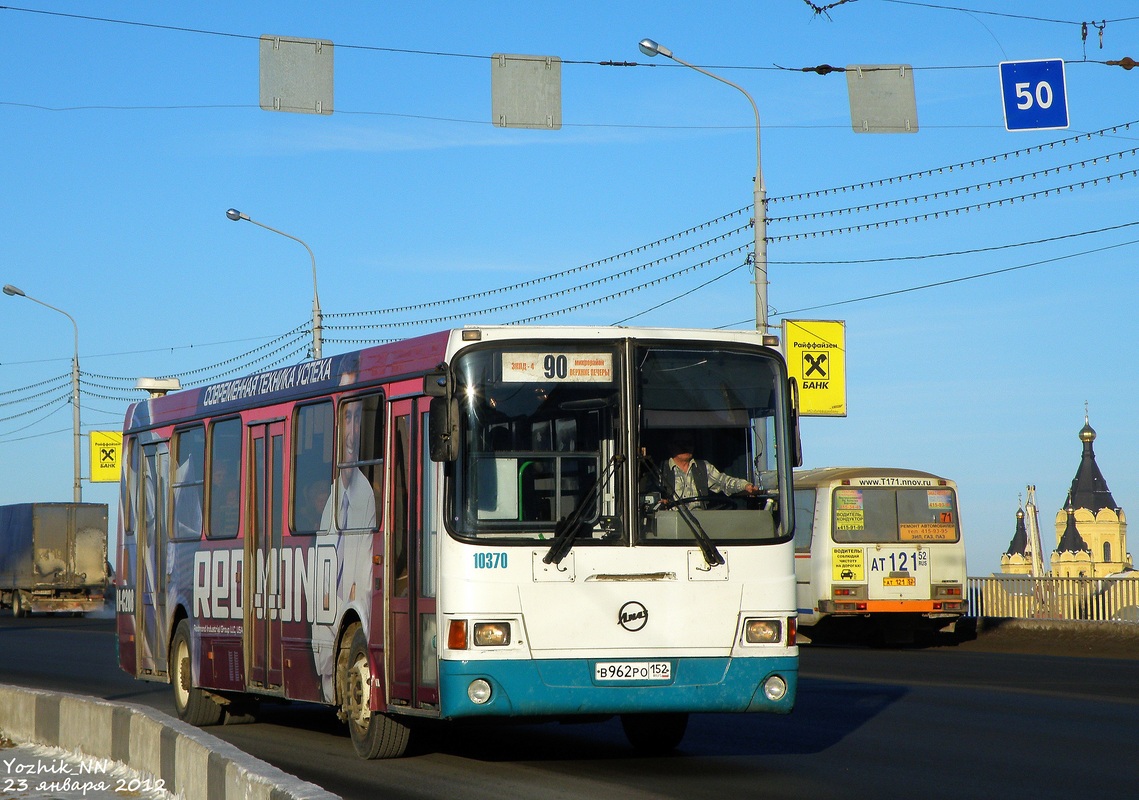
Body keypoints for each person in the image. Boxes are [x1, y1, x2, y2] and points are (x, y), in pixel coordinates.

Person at [658, 432, 761, 508]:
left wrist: (745, 486)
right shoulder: (660, 470)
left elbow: (724, 482)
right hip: (672, 526)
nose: (685, 447)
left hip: (702, 525)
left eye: (689, 443)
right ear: (670, 446)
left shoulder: (703, 467)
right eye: (680, 443)